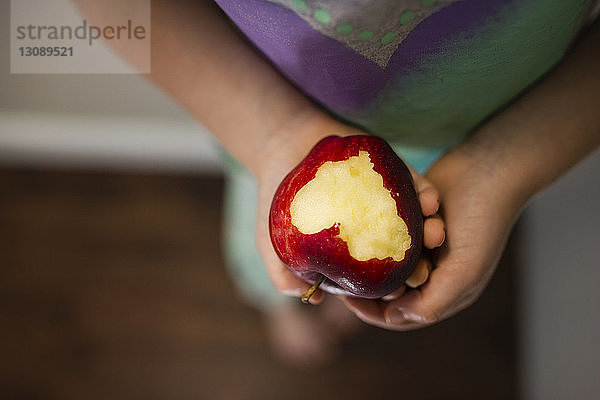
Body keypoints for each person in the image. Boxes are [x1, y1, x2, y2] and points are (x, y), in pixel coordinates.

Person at [76, 0, 600, 363]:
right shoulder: (287, 156)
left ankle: (322, 296)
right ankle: (284, 307)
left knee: (379, 272)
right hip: (275, 136)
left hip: (484, 133)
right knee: (271, 263)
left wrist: (503, 167)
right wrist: (272, 131)